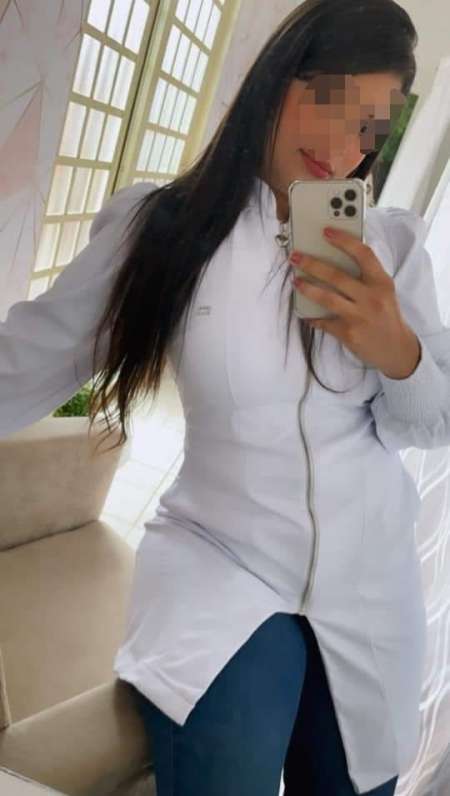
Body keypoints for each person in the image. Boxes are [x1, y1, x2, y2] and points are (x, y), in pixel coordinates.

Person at [1, 1, 449, 793]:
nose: (341, 147)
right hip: (223, 563)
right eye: (330, 101)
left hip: (372, 581)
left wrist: (398, 351)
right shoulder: (163, 231)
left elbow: (430, 425)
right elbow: (22, 364)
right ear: (277, 80)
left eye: (367, 128)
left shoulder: (391, 248)